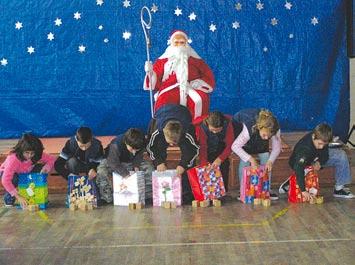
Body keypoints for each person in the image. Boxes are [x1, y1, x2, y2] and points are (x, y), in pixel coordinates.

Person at [143, 30, 215, 120]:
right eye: (176, 42)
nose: (179, 45)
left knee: (199, 100)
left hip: (190, 88)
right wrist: (150, 72)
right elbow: (155, 80)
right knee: (165, 102)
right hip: (169, 89)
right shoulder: (163, 60)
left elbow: (207, 74)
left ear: (186, 43)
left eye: (182, 42)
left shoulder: (195, 59)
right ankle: (167, 128)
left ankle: (196, 130)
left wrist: (198, 83)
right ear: (171, 43)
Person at [279, 123, 354, 199]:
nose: (321, 147)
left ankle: (339, 189)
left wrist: (319, 162)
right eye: (319, 144)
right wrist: (303, 190)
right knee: (300, 171)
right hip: (300, 163)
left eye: (324, 144)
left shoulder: (322, 137)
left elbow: (325, 154)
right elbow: (298, 167)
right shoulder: (304, 148)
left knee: (341, 155)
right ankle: (293, 181)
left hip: (315, 158)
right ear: (314, 136)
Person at [147, 104, 199, 203]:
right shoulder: (156, 129)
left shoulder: (188, 130)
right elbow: (150, 148)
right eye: (169, 142)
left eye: (174, 143)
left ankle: (186, 194)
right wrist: (158, 162)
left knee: (188, 163)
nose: (171, 145)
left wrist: (183, 165)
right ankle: (161, 194)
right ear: (164, 134)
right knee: (159, 152)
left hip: (183, 114)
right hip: (161, 113)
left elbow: (194, 150)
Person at [231, 108, 281, 200]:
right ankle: (243, 191)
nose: (266, 138)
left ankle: (266, 190)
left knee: (266, 157)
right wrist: (251, 159)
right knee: (244, 160)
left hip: (256, 133)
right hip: (238, 125)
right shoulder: (249, 128)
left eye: (269, 136)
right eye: (265, 135)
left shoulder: (274, 128)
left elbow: (277, 148)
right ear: (259, 128)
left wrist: (270, 161)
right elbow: (235, 146)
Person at [96, 128, 153, 204]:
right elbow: (113, 163)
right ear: (126, 142)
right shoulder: (115, 145)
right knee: (101, 171)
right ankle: (107, 198)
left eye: (136, 149)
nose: (134, 151)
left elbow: (139, 154)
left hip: (130, 161)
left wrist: (136, 165)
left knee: (149, 168)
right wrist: (125, 174)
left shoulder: (141, 142)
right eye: (132, 149)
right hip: (113, 162)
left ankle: (147, 196)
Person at [0, 133, 55, 208]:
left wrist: (46, 168)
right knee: (14, 178)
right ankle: (9, 198)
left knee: (40, 168)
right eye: (27, 153)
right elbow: (5, 180)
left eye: (32, 153)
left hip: (26, 173)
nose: (29, 156)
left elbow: (51, 159)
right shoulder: (13, 159)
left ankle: (34, 195)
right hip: (11, 175)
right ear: (21, 150)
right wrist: (18, 196)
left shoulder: (36, 154)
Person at [194, 111, 236, 191]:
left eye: (218, 130)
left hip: (221, 147)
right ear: (208, 124)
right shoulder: (202, 126)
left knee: (224, 165)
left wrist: (220, 159)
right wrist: (204, 164)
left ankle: (222, 191)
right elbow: (203, 147)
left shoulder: (227, 124)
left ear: (222, 126)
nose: (215, 132)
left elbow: (230, 145)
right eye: (212, 130)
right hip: (208, 148)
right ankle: (208, 192)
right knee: (207, 169)